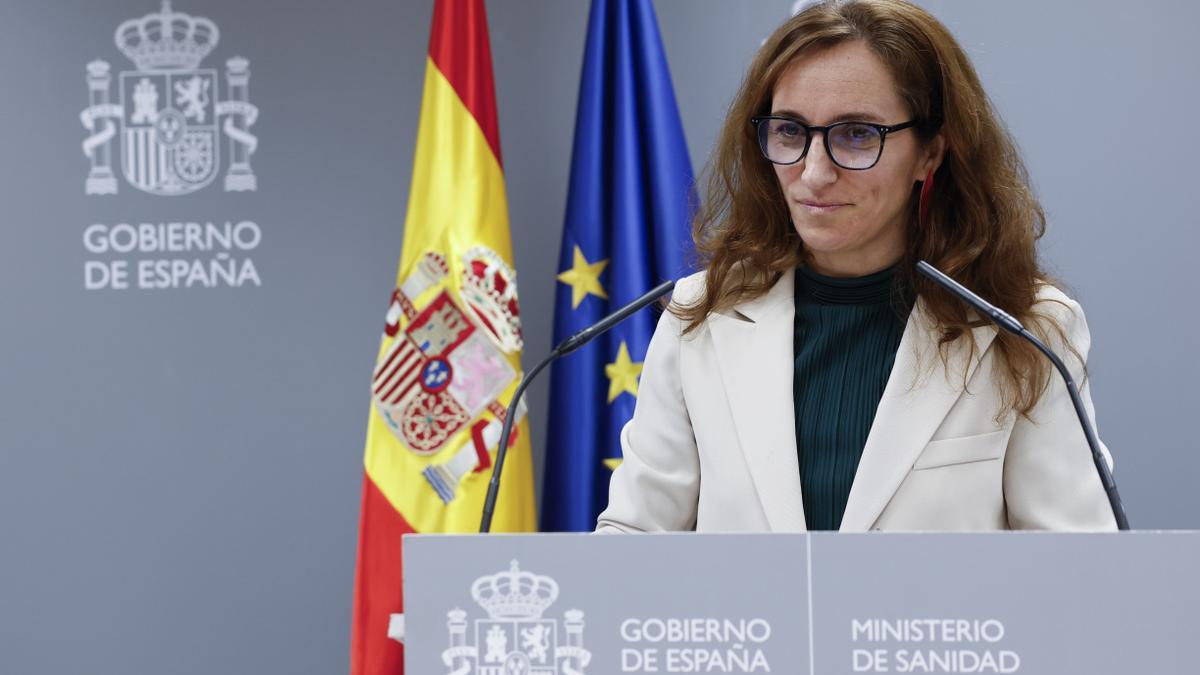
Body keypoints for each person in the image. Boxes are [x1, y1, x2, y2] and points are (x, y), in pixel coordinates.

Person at [596, 0, 1116, 533]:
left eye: (857, 135)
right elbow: (634, 546)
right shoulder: (698, 317)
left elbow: (1076, 567)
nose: (814, 174)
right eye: (790, 132)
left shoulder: (1025, 327)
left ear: (929, 153)